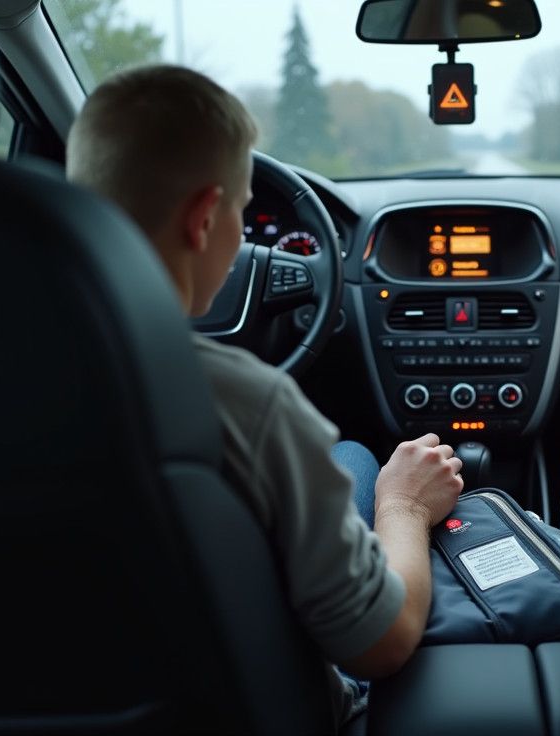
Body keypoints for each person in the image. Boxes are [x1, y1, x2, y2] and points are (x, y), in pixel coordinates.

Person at [66, 65, 463, 728]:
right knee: (361, 464)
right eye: (244, 213)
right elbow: (383, 644)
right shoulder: (248, 404)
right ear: (201, 218)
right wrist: (404, 510)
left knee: (347, 457)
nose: (245, 239)